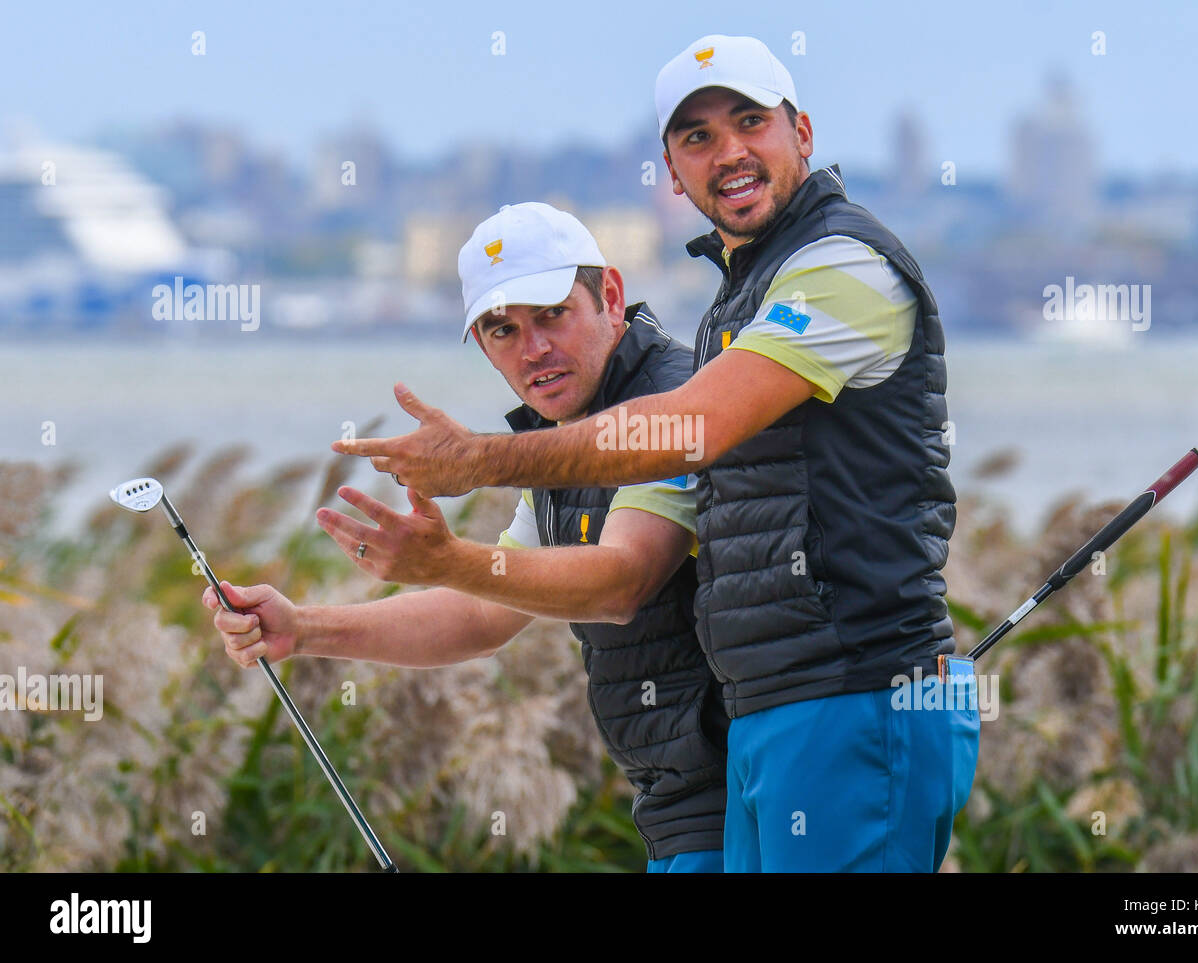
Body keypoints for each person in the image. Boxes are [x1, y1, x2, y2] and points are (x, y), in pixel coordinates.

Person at [332, 35, 979, 873]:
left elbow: (685, 437)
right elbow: (487, 610)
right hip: (778, 713)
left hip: (854, 695)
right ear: (672, 173)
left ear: (804, 133)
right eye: (697, 137)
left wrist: (478, 462)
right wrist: (303, 627)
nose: (729, 151)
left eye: (751, 121)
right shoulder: (740, 303)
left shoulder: (840, 263)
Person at [206, 202, 727, 872]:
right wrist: (303, 628)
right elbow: (486, 610)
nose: (532, 348)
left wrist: (448, 558)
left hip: (734, 797)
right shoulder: (557, 441)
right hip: (678, 804)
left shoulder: (667, 400)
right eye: (502, 328)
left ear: (613, 297)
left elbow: (621, 580)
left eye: (553, 314)